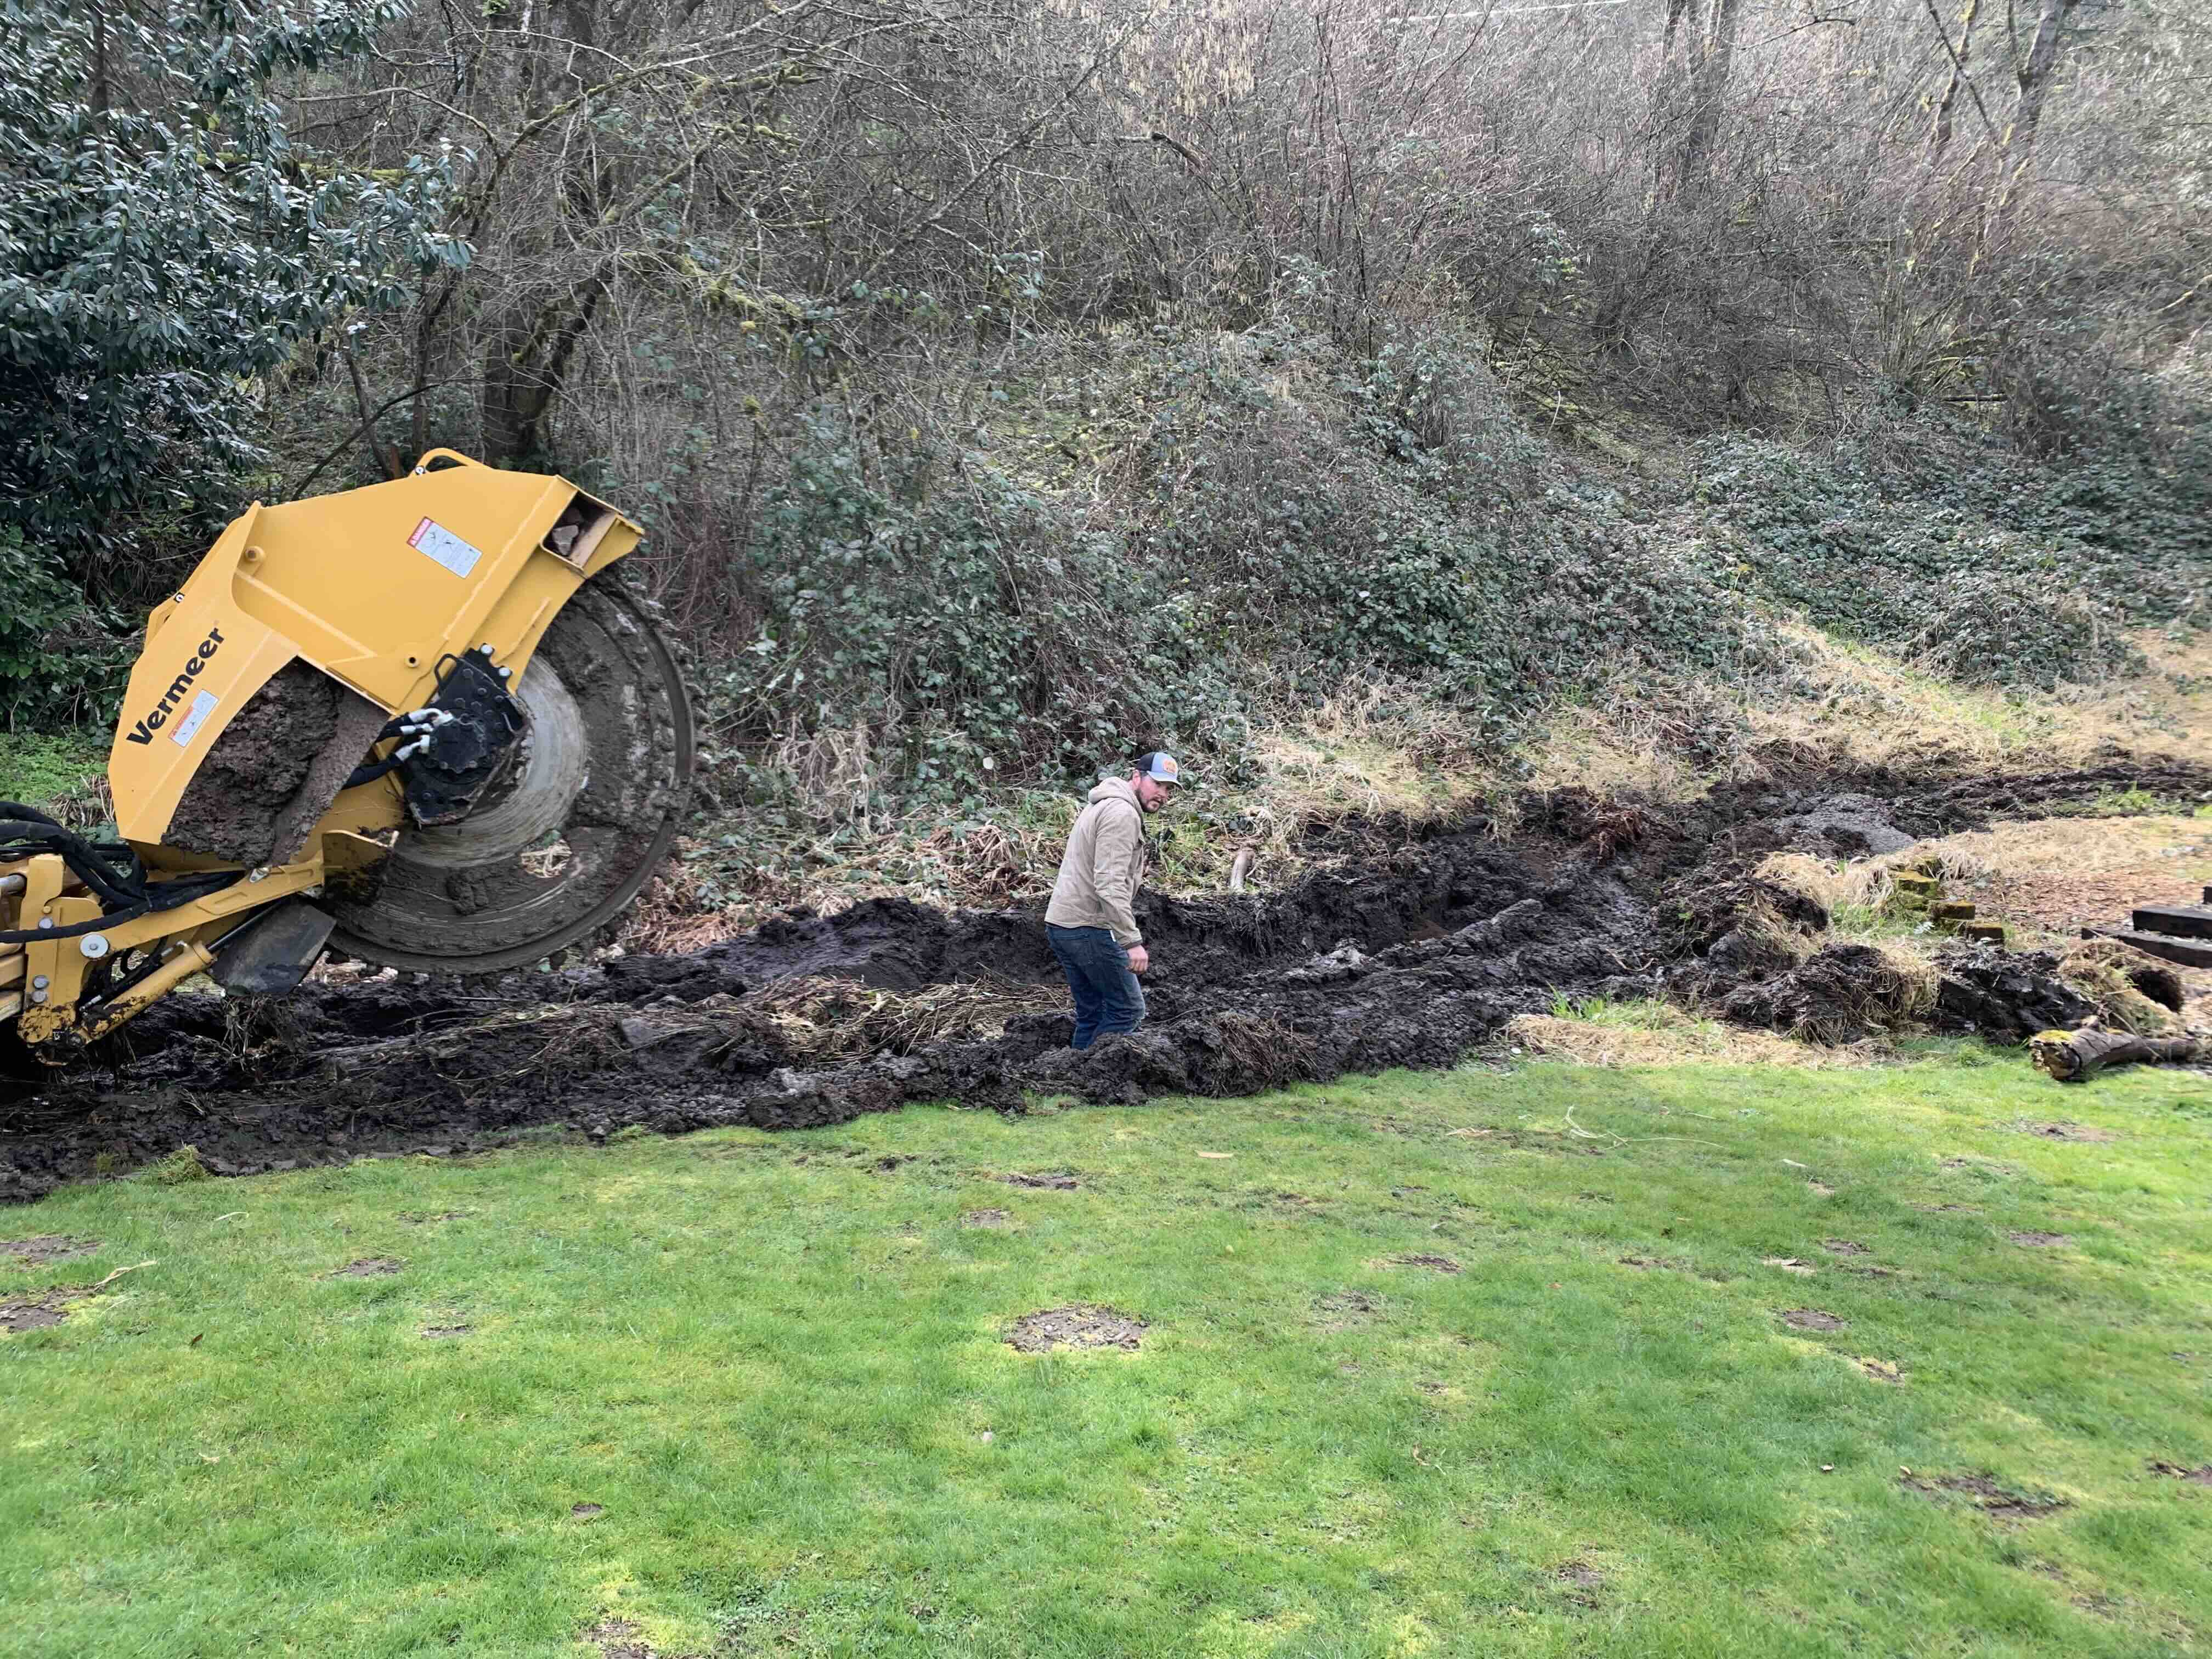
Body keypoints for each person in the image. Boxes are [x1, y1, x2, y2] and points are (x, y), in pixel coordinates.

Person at [1043, 751, 1183, 1049]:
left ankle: (1072, 1079)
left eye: (1169, 788)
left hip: (1063, 924)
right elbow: (1109, 884)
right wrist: (1131, 941)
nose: (1162, 794)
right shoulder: (1122, 814)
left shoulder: (1104, 804)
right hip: (1087, 926)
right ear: (1136, 777)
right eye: (1157, 783)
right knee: (1128, 1010)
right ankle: (1098, 1078)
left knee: (1092, 1014)